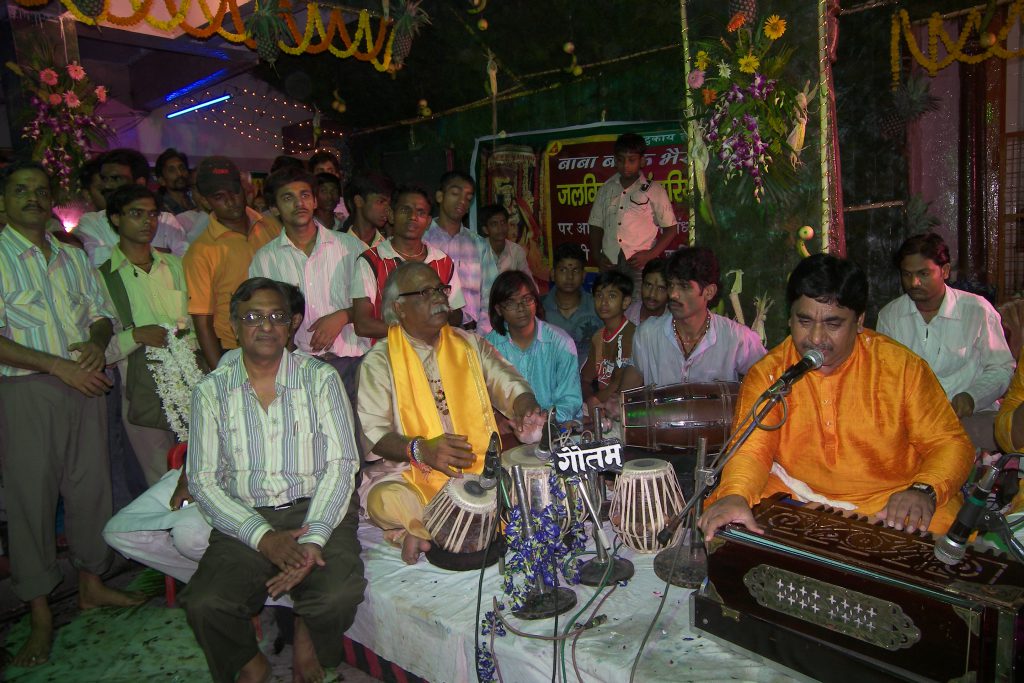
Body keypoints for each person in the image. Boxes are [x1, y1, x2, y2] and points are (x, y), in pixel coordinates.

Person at [698, 254, 975, 540]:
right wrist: (736, 493)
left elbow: (950, 443)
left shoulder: (902, 368)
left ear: (859, 322)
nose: (816, 338)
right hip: (797, 494)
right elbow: (752, 450)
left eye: (833, 324)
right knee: (730, 515)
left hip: (889, 501)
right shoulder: (771, 375)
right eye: (804, 321)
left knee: (943, 531)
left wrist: (923, 490)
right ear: (789, 318)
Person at [180, 277, 365, 683]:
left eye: (277, 317)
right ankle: (250, 662)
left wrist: (314, 538)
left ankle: (306, 633)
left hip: (315, 506)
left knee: (336, 597)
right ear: (234, 324)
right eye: (252, 316)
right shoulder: (211, 391)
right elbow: (204, 481)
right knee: (205, 604)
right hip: (246, 513)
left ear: (291, 324)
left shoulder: (320, 379)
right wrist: (263, 537)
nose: (265, 326)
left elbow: (341, 464)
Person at [0, 161, 144, 668]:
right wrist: (58, 366)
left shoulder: (70, 256)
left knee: (90, 488)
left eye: (40, 190)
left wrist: (95, 344)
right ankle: (39, 612)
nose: (33, 198)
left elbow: (101, 314)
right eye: (21, 190)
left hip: (86, 383)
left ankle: (91, 584)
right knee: (31, 499)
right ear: (3, 201)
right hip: (27, 390)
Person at [357, 262, 544, 564]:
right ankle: (417, 528)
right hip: (410, 474)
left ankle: (421, 532)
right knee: (384, 499)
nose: (440, 298)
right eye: (425, 292)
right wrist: (421, 449)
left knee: (527, 479)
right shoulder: (379, 362)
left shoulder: (469, 345)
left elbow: (508, 383)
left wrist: (525, 409)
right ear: (399, 308)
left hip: (479, 469)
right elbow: (374, 435)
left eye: (441, 289)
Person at [877, 232, 1013, 450]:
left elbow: (1001, 368)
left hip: (973, 418)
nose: (914, 283)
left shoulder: (977, 310)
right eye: (907, 275)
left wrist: (971, 397)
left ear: (945, 271)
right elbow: (886, 378)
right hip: (914, 425)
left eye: (923, 273)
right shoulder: (890, 316)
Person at [249, 166, 368, 402]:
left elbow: (376, 304)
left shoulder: (352, 248)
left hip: (353, 361)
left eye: (304, 195)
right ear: (274, 208)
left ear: (315, 201)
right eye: (287, 198)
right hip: (298, 366)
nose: (298, 203)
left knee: (360, 436)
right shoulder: (265, 259)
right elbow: (259, 317)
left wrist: (344, 315)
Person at [99, 185, 190, 485]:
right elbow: (99, 350)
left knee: (201, 469)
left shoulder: (174, 266)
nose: (147, 221)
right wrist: (135, 335)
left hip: (188, 380)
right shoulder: (102, 277)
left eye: (152, 214)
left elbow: (191, 325)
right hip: (139, 388)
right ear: (115, 218)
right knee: (162, 480)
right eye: (136, 213)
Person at [184, 156, 281, 370]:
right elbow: (203, 322)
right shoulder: (201, 251)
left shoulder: (271, 228)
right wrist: (220, 375)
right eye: (219, 196)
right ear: (205, 201)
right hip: (235, 350)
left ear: (245, 189)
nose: (231, 200)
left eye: (235, 191)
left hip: (281, 342)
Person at [623, 246, 765, 389]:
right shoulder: (648, 333)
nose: (673, 294)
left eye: (684, 287)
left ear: (709, 292)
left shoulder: (736, 338)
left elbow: (769, 382)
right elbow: (626, 394)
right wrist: (613, 404)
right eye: (671, 285)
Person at [352, 185, 465, 341]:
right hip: (387, 358)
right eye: (405, 210)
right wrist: (418, 331)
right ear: (391, 215)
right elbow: (362, 325)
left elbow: (456, 314)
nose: (413, 217)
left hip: (434, 355)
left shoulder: (442, 261)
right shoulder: (371, 260)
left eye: (421, 212)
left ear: (428, 221)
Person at [485, 271, 582, 422]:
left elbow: (570, 401)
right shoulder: (488, 347)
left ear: (535, 302)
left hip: (555, 429)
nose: (521, 307)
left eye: (527, 299)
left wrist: (542, 421)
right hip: (508, 431)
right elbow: (481, 401)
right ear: (498, 309)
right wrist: (499, 421)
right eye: (511, 302)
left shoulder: (561, 343)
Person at [587, 133, 678, 290]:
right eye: (621, 160)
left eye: (631, 160)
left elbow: (671, 229)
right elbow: (595, 225)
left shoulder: (654, 190)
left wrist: (650, 255)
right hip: (610, 261)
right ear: (615, 160)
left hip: (640, 263)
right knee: (610, 304)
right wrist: (597, 255)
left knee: (638, 305)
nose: (625, 165)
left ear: (642, 161)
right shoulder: (606, 189)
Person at [74, 148, 189, 267]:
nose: (107, 186)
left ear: (139, 183)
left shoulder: (165, 221)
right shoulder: (92, 222)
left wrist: (121, 254)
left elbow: (184, 262)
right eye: (104, 179)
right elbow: (96, 260)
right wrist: (162, 254)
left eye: (116, 178)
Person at [423, 171, 483, 330]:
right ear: (440, 197)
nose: (462, 201)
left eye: (468, 198)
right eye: (455, 193)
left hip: (472, 333)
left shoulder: (479, 244)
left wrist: (482, 336)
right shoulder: (423, 240)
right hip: (431, 330)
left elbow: (491, 294)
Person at [582, 270, 636, 415]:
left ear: (625, 302)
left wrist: (593, 401)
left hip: (624, 408)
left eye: (612, 296)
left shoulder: (632, 335)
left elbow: (617, 386)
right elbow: (585, 379)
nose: (604, 302)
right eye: (599, 295)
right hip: (600, 405)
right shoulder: (598, 336)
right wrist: (590, 401)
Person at [542, 242, 603, 367]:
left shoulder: (598, 306)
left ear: (583, 275)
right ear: (553, 274)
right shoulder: (538, 308)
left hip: (591, 380)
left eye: (575, 270)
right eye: (563, 270)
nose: (569, 276)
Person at [477, 203, 532, 335]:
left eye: (503, 223)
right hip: (482, 315)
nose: (500, 228)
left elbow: (528, 283)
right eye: (494, 224)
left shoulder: (516, 251)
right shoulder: (477, 249)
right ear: (485, 229)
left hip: (510, 314)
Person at [342, 174, 390, 249]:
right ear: (359, 201)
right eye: (380, 201)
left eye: (389, 204)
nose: (387, 208)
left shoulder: (388, 245)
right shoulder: (338, 244)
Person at [624, 257, 668, 324]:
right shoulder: (626, 316)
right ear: (641, 284)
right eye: (648, 285)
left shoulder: (674, 322)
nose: (652, 294)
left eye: (661, 288)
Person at [155, 148, 195, 215]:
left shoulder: (195, 200)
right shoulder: (160, 208)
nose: (180, 174)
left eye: (182, 168)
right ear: (162, 181)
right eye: (172, 170)